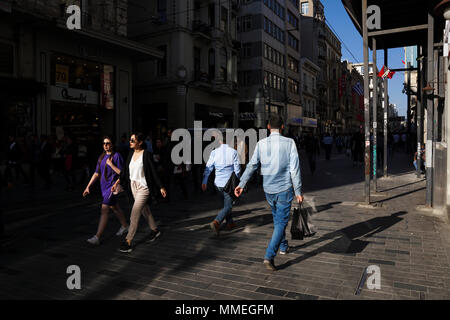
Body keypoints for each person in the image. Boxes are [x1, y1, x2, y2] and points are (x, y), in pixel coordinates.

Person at [234, 114, 303, 271]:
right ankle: (269, 255)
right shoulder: (290, 143)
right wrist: (298, 190)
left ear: (268, 127)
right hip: (284, 189)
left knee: (278, 220)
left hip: (268, 190)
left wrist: (241, 184)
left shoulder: (261, 143)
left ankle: (284, 246)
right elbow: (295, 169)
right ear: (283, 127)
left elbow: (252, 165)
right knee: (280, 222)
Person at [112, 133, 167, 253]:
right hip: (133, 187)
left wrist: (161, 187)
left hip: (144, 187)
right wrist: (117, 183)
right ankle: (155, 230)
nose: (130, 142)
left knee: (134, 213)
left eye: (132, 140)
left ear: (140, 142)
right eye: (130, 140)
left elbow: (153, 172)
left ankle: (128, 241)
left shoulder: (146, 155)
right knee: (145, 210)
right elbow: (125, 171)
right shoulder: (131, 154)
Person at [83, 136, 129, 245]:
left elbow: (122, 173)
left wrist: (111, 164)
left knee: (104, 210)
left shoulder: (117, 156)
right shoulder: (101, 157)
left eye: (108, 143)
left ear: (112, 144)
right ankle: (125, 226)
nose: (106, 145)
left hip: (112, 187)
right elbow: (96, 173)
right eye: (104, 143)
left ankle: (97, 237)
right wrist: (88, 186)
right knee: (114, 206)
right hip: (103, 187)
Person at [202, 131, 241, 236]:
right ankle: (216, 222)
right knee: (228, 206)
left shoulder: (214, 152)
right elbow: (237, 171)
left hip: (217, 184)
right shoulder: (234, 152)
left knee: (226, 204)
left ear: (219, 141)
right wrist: (240, 183)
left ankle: (230, 223)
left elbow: (208, 168)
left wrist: (204, 181)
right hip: (229, 185)